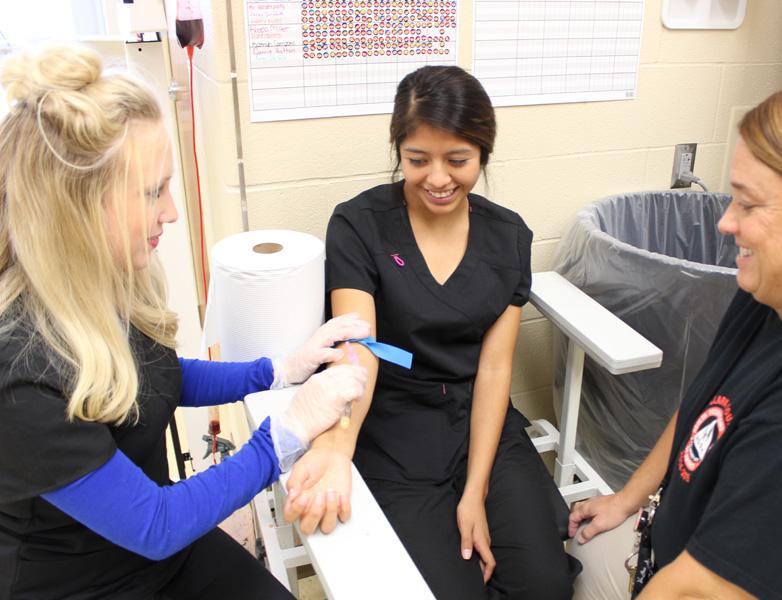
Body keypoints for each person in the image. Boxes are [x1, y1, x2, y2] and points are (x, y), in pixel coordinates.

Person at [0, 45, 370, 600]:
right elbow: (155, 524)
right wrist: (286, 435)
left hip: (159, 552)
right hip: (82, 581)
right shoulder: (21, 372)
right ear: (76, 208)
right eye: (153, 192)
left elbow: (161, 377)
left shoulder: (98, 285)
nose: (171, 212)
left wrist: (278, 369)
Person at [567, 70, 782, 599]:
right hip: (676, 548)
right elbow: (708, 407)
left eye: (749, 203)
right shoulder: (771, 291)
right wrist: (629, 497)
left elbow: (704, 590)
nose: (725, 223)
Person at [282, 65, 581, 599]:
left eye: (458, 160)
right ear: (398, 150)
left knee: (543, 586)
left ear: (483, 154)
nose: (438, 178)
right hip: (394, 423)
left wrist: (475, 491)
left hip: (478, 420)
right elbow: (361, 348)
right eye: (418, 160)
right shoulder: (359, 225)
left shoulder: (508, 236)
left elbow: (493, 370)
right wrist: (336, 446)